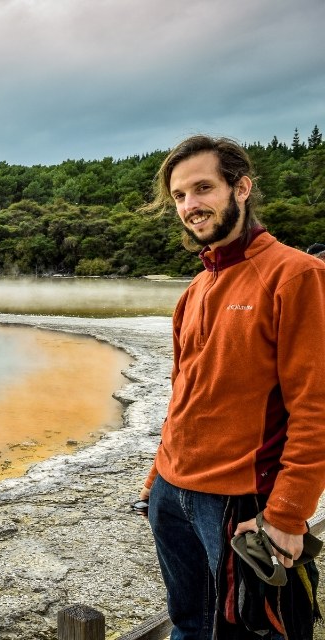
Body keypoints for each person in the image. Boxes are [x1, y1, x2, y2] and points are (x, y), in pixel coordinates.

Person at [138, 135, 325, 639]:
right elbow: (187, 394)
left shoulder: (296, 275)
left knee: (247, 630)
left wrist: (287, 513)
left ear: (240, 188)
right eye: (179, 196)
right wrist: (160, 472)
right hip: (172, 493)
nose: (190, 205)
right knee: (188, 625)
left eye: (203, 188)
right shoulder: (196, 288)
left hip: (241, 497)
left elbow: (316, 406)